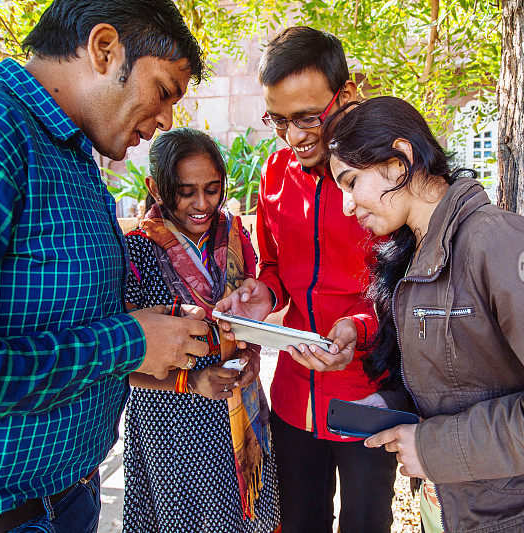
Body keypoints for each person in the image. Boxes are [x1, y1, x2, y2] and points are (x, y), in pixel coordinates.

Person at [0, 1, 209, 531]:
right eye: (162, 92)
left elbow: (43, 321)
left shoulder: (72, 154)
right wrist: (127, 341)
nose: (166, 122)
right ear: (104, 49)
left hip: (67, 499)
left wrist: (149, 333)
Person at [324, 96, 524, 532]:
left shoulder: (499, 243)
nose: (347, 205)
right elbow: (463, 381)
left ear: (399, 162)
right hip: (462, 511)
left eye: (351, 181)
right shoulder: (413, 257)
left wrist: (435, 449)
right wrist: (390, 404)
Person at [215, 27, 397, 533]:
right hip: (294, 396)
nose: (294, 136)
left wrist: (356, 330)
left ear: (347, 94)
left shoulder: (385, 175)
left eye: (308, 117)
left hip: (367, 395)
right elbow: (273, 267)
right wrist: (261, 294)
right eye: (278, 121)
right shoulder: (275, 171)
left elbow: (403, 290)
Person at [122, 127, 280, 532]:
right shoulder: (138, 249)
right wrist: (190, 381)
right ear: (155, 188)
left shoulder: (235, 235)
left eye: (212, 189)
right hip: (173, 425)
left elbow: (249, 320)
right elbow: (122, 361)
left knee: (247, 517)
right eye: (186, 191)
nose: (201, 204)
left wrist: (250, 355)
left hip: (239, 412)